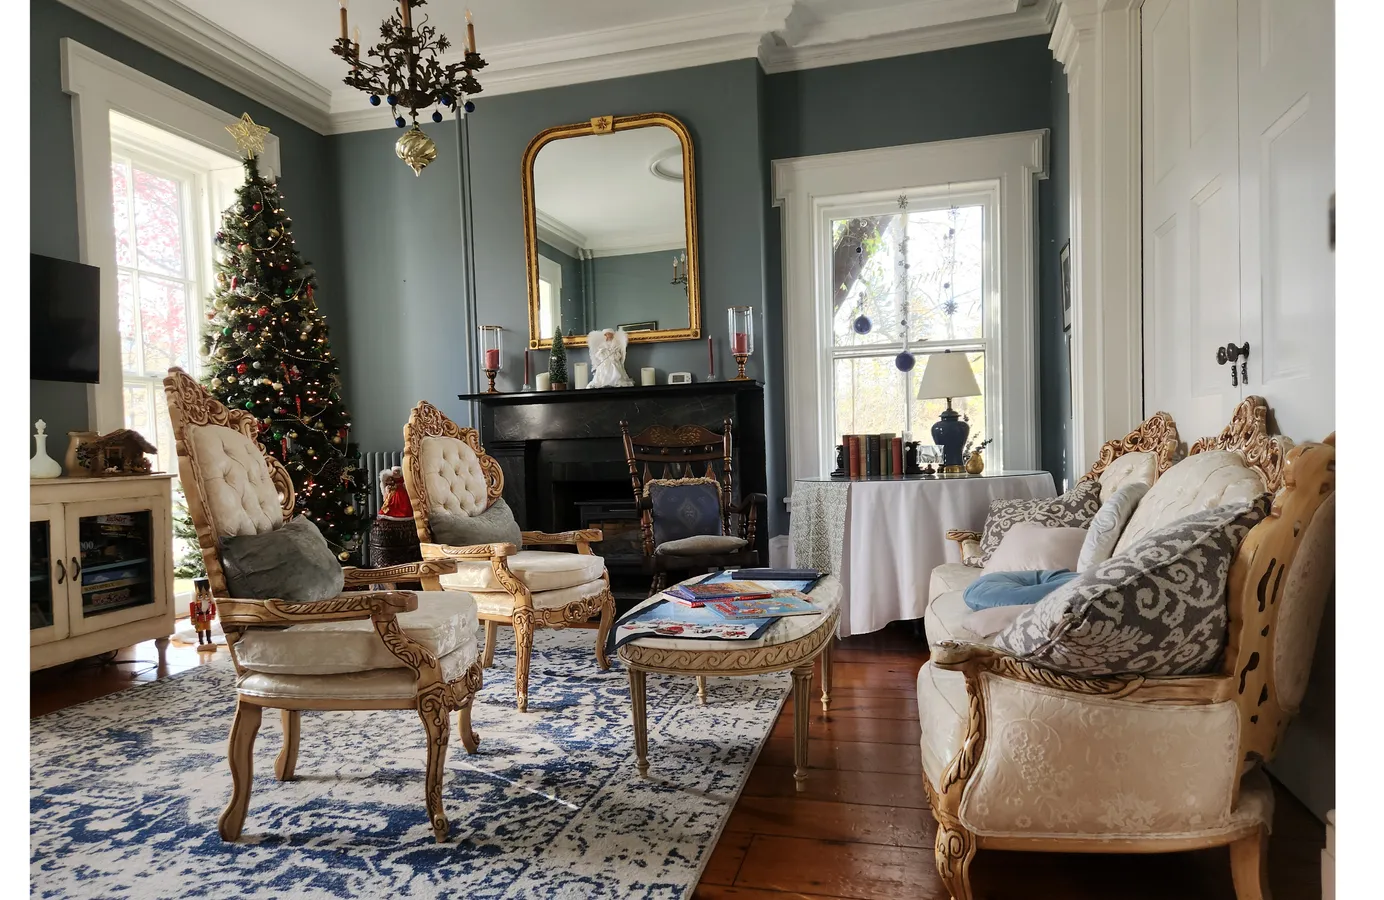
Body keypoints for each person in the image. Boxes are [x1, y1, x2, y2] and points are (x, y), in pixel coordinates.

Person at [189, 577, 217, 651]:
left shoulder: (210, 601)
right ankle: (201, 641)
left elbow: (213, 605)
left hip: (207, 616)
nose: (204, 597)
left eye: (206, 595)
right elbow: (192, 609)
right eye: (201, 595)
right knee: (200, 629)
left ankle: (209, 640)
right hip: (199, 617)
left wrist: (213, 613)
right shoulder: (195, 603)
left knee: (208, 628)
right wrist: (193, 618)